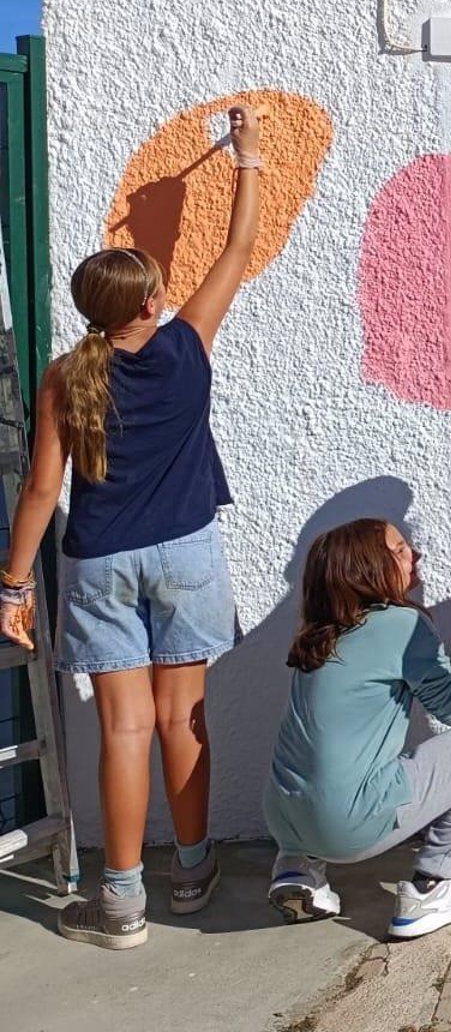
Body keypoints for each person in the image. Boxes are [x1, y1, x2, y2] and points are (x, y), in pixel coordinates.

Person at [0, 108, 260, 949]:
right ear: (152, 301)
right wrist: (245, 160)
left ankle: (120, 904)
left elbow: (42, 490)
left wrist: (12, 586)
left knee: (124, 727)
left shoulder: (62, 376)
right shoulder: (188, 344)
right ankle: (190, 873)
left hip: (101, 561)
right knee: (184, 718)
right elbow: (236, 252)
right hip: (186, 554)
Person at [263, 519, 451, 934]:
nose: (414, 555)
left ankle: (297, 869)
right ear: (368, 569)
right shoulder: (400, 624)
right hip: (346, 826)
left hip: (284, 816)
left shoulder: (321, 631)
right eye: (400, 550)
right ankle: (433, 886)